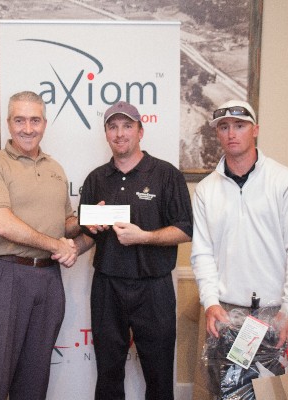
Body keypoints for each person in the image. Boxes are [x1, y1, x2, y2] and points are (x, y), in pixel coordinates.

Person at [75, 101, 193, 400]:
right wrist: (74, 245)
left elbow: (185, 229)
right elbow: (88, 232)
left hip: (153, 287)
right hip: (107, 286)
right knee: (109, 373)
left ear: (140, 131)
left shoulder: (167, 175)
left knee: (159, 374)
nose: (120, 133)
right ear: (106, 134)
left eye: (127, 126)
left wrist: (145, 237)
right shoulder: (95, 179)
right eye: (113, 127)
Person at [0, 91, 79, 400]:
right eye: (20, 120)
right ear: (8, 123)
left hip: (49, 277)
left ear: (45, 124)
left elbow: (66, 222)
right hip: (6, 275)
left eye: (34, 120)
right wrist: (55, 244)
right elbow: (1, 223)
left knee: (35, 375)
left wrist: (90, 220)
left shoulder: (55, 168)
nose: (27, 128)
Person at [190, 100, 288, 352]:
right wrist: (210, 302)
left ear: (255, 130)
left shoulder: (285, 182)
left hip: (277, 311)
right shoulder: (205, 190)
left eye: (240, 125)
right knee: (226, 391)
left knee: (276, 390)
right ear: (217, 134)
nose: (231, 133)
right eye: (224, 127)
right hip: (225, 312)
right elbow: (202, 253)